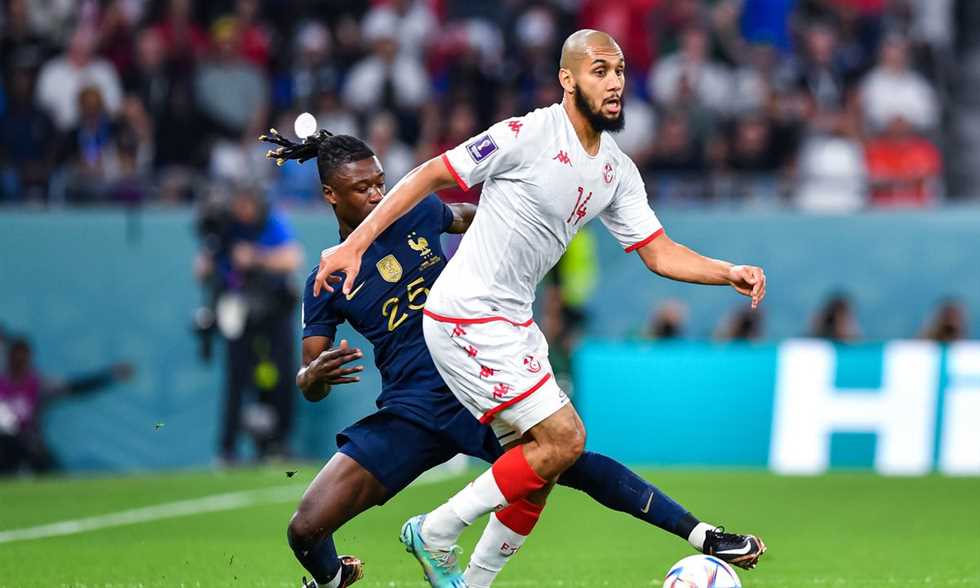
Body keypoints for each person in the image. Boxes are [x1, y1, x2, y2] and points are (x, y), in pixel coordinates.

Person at [312, 29, 768, 588]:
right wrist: (356, 245)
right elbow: (432, 174)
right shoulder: (526, 134)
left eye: (620, 71)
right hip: (466, 312)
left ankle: (472, 581)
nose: (615, 83)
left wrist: (727, 271)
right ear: (567, 79)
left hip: (513, 320)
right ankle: (435, 530)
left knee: (540, 465)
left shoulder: (617, 171)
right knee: (565, 439)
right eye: (600, 71)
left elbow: (658, 251)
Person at [194, 184, 303, 462]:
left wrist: (254, 257)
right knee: (236, 378)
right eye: (238, 204)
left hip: (273, 308)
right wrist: (211, 260)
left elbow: (293, 258)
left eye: (247, 204)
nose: (243, 210)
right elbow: (202, 269)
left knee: (281, 375)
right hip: (237, 310)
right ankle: (228, 449)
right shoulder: (226, 228)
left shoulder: (271, 222)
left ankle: (278, 443)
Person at [0, 337, 133, 474]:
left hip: (30, 445)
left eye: (23, 356)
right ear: (8, 357)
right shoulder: (2, 385)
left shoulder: (39, 385)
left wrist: (110, 375)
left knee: (50, 469)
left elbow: (75, 387)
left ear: (29, 358)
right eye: (15, 355)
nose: (19, 360)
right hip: (4, 448)